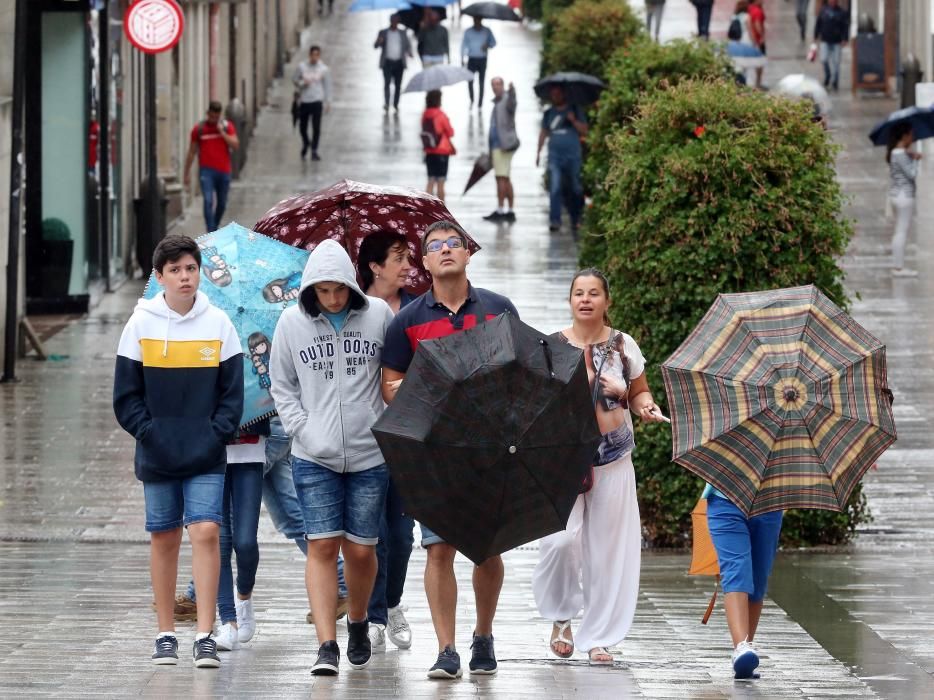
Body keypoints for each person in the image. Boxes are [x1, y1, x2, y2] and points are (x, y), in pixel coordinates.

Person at [381, 220, 520, 680]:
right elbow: (389, 387)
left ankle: (483, 635)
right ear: (423, 262)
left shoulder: (499, 310)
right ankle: (446, 648)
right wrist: (427, 390)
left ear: (466, 253)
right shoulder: (408, 321)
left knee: (486, 551)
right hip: (435, 452)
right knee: (438, 551)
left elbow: (521, 373)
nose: (444, 251)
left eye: (452, 244)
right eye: (434, 246)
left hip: (490, 450)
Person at [113, 234, 243, 668]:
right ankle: (165, 632)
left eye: (191, 268)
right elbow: (125, 397)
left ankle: (205, 633)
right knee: (164, 536)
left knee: (206, 531)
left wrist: (215, 434)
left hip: (205, 452)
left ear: (199, 271)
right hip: (158, 452)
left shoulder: (221, 324)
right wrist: (149, 432)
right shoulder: (140, 325)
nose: (185, 277)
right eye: (175, 270)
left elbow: (232, 397)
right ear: (160, 276)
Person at [269, 240, 394, 675]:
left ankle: (358, 620)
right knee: (321, 545)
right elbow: (281, 385)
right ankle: (326, 645)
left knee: (361, 551)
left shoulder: (379, 314)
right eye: (323, 290)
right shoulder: (291, 323)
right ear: (311, 291)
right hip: (312, 456)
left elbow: (393, 373)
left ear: (351, 284)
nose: (334, 298)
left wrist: (384, 424)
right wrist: (303, 429)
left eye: (339, 288)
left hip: (369, 454)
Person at [532, 268, 665, 666]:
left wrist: (636, 401)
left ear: (607, 301)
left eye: (593, 293)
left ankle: (600, 636)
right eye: (578, 293)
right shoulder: (551, 346)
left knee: (608, 550)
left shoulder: (624, 345)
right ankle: (560, 618)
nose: (585, 299)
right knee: (559, 542)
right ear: (570, 300)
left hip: (613, 458)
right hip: (563, 461)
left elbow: (641, 394)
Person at [356, 231, 417, 653]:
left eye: (408, 257)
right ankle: (374, 615)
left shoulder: (417, 309)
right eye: (398, 258)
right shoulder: (350, 308)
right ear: (375, 266)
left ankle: (392, 603)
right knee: (369, 534)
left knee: (402, 534)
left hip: (410, 440)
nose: (407, 265)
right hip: (363, 440)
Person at [704, 483, 783, 679]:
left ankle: (745, 653)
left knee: (758, 579)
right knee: (736, 569)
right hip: (724, 500)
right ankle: (741, 647)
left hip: (770, 503)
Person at [212, 421, 267, 651]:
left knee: (245, 542)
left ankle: (243, 596)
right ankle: (228, 621)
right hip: (209, 450)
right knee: (219, 542)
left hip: (250, 448)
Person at [536, 86, 587, 234]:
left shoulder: (574, 110)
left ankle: (576, 219)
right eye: (553, 94)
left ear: (563, 94)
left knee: (575, 188)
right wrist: (538, 152)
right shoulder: (548, 114)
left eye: (558, 93)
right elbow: (543, 132)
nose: (555, 96)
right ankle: (555, 220)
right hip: (555, 157)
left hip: (573, 156)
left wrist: (574, 120)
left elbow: (584, 130)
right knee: (555, 187)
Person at [183, 101, 240, 232]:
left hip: (224, 171)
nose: (214, 119)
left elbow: (235, 145)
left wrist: (222, 133)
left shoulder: (227, 127)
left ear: (220, 116)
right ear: (208, 113)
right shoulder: (199, 130)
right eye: (212, 116)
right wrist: (186, 173)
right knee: (208, 201)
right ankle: (211, 230)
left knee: (222, 204)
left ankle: (214, 226)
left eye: (217, 117)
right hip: (206, 172)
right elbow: (191, 152)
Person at [887, 123, 921, 278]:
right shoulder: (901, 154)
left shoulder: (895, 152)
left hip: (896, 194)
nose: (912, 138)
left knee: (899, 230)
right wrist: (915, 159)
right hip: (904, 196)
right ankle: (898, 267)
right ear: (905, 136)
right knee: (901, 231)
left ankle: (898, 265)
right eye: (911, 135)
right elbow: (912, 174)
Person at [484, 78, 519, 222]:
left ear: (502, 86)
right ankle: (510, 210)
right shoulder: (497, 102)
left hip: (502, 145)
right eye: (492, 84)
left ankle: (500, 209)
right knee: (505, 178)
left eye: (497, 84)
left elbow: (512, 104)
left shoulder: (506, 99)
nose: (495, 87)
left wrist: (512, 92)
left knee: (500, 178)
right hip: (499, 145)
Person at [293, 45, 332, 161]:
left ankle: (314, 150)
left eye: (317, 55)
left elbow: (327, 86)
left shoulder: (323, 69)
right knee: (302, 127)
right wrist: (302, 83)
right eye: (313, 55)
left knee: (316, 127)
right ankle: (306, 143)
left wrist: (328, 102)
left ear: (319, 56)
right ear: (309, 55)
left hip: (317, 101)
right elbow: (294, 79)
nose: (315, 57)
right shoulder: (302, 67)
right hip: (304, 100)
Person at [375, 14, 413, 113]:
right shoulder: (383, 32)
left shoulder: (403, 33)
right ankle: (387, 103)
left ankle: (396, 104)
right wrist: (380, 41)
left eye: (396, 21)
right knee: (387, 83)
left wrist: (409, 52)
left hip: (399, 63)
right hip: (387, 62)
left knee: (398, 85)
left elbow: (407, 45)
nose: (394, 23)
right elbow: (375, 45)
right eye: (393, 21)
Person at [422, 90, 456, 202]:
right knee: (441, 183)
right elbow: (450, 132)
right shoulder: (441, 115)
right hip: (441, 152)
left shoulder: (425, 114)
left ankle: (426, 208)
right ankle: (442, 210)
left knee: (430, 181)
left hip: (429, 151)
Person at [461, 16, 496, 108]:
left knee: (481, 82)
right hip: (472, 58)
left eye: (478, 19)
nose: (477, 21)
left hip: (482, 59)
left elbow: (494, 43)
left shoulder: (487, 31)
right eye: (475, 19)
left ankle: (480, 103)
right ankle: (472, 99)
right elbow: (463, 45)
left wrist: (487, 45)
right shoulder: (468, 31)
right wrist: (462, 57)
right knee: (470, 81)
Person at [814, 0, 849, 91]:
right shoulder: (823, 10)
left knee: (836, 62)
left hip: (836, 41)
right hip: (825, 40)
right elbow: (818, 24)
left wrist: (845, 39)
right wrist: (815, 36)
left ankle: (835, 82)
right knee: (824, 59)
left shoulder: (842, 12)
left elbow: (845, 26)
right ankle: (828, 75)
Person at [747, 0, 766, 88]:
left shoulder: (749, 8)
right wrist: (762, 36)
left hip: (751, 40)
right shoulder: (757, 11)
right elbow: (757, 24)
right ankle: (758, 83)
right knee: (760, 63)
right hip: (758, 41)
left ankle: (757, 83)